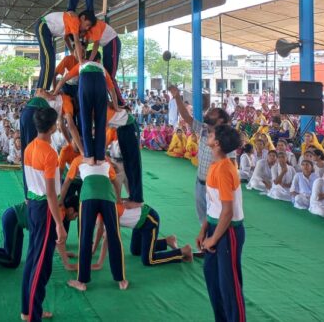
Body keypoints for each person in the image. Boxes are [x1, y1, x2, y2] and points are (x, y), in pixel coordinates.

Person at [21, 107, 66, 322]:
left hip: (33, 206)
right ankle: (33, 316)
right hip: (44, 209)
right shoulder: (49, 153)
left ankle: (28, 310)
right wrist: (59, 223)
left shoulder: (30, 147)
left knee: (32, 258)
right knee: (41, 265)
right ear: (51, 127)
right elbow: (50, 194)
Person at [198, 124, 245, 322]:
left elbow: (227, 211)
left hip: (228, 233)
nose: (207, 135)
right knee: (212, 277)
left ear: (216, 143)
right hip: (215, 228)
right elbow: (214, 206)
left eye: (211, 134)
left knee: (229, 285)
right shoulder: (215, 166)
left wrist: (214, 239)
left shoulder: (225, 168)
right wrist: (204, 230)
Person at [0, 196, 79, 270]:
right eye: (76, 215)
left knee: (11, 255)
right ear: (70, 210)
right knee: (12, 261)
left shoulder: (57, 205)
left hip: (13, 218)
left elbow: (52, 239)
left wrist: (64, 253)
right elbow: (59, 241)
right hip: (13, 220)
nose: (75, 218)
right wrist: (67, 264)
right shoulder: (60, 214)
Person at [168, 85, 229, 224]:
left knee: (216, 219)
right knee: (203, 220)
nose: (208, 114)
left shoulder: (227, 140)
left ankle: (214, 243)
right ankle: (206, 242)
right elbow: (186, 117)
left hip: (216, 187)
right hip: (200, 182)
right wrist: (177, 97)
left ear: (220, 121)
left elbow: (231, 166)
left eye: (212, 113)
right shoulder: (203, 129)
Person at [66, 156, 128, 292]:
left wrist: (60, 199)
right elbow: (115, 183)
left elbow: (68, 181)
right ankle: (121, 279)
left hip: (88, 197)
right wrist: (117, 199)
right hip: (108, 197)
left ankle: (81, 281)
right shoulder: (104, 159)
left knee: (85, 238)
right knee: (114, 236)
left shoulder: (78, 159)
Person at [92, 201, 193, 268]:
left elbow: (106, 237)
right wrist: (93, 250)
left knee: (148, 260)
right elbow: (101, 232)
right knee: (136, 250)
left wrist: (99, 263)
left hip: (149, 220)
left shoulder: (106, 212)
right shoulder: (100, 209)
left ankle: (184, 251)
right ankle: (168, 241)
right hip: (139, 224)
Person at [35, 10, 95, 90]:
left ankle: (40, 90)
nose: (87, 28)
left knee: (50, 61)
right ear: (83, 18)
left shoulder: (72, 22)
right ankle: (41, 91)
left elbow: (66, 38)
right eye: (87, 25)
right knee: (48, 60)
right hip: (43, 26)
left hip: (47, 31)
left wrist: (71, 51)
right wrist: (80, 62)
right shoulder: (75, 21)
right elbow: (76, 41)